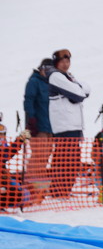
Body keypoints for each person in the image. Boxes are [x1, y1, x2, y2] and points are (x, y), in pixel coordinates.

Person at [47, 48, 91, 198]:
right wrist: (78, 90)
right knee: (65, 159)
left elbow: (86, 88)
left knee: (72, 159)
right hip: (64, 125)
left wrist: (77, 90)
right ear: (56, 63)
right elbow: (79, 94)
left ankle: (64, 190)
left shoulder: (68, 76)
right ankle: (59, 191)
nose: (66, 64)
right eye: (63, 61)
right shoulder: (55, 76)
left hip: (73, 124)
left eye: (68, 61)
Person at [23, 58, 53, 195]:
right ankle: (30, 183)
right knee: (38, 154)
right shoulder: (34, 81)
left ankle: (39, 186)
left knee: (46, 154)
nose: (46, 72)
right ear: (41, 68)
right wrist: (31, 119)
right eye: (45, 69)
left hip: (49, 125)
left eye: (49, 71)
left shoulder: (50, 83)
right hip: (38, 125)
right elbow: (29, 100)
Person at [0, 128, 39, 211]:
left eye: (3, 134)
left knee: (22, 193)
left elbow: (7, 153)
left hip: (3, 177)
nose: (2, 137)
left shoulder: (2, 144)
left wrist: (19, 140)